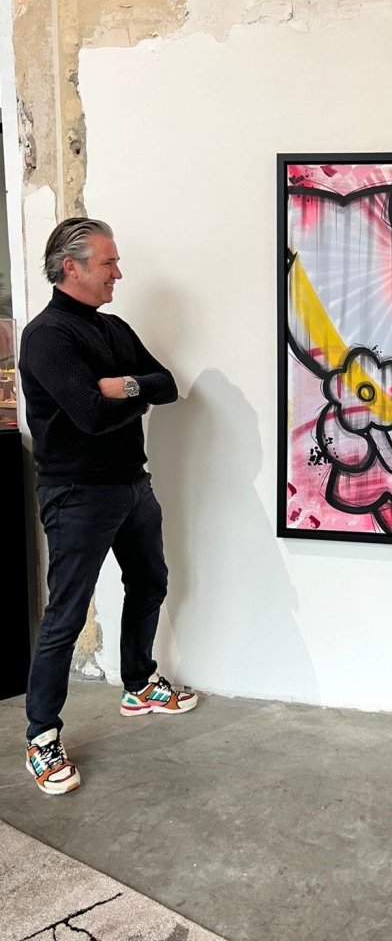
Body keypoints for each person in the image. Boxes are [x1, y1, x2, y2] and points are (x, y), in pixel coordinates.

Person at [19, 218, 197, 796]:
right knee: (66, 616)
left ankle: (138, 683)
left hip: (131, 484)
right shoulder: (47, 336)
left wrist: (119, 386)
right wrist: (120, 393)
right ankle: (41, 736)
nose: (118, 272)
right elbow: (89, 417)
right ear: (71, 267)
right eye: (108, 262)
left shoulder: (113, 327)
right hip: (76, 493)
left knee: (151, 582)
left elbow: (165, 384)